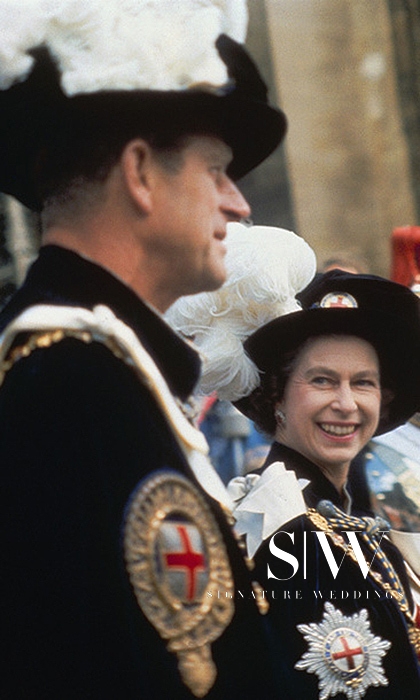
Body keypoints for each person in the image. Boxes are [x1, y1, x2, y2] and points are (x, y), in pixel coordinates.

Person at [0, 2, 289, 698]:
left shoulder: (105, 374)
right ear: (138, 171)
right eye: (217, 170)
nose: (238, 205)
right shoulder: (70, 384)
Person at [169, 265, 420, 698]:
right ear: (276, 397)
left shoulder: (329, 519)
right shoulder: (293, 536)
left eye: (363, 383)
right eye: (322, 380)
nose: (345, 404)